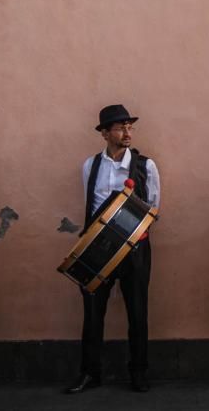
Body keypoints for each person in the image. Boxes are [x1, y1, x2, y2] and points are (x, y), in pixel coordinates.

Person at [65, 104, 161, 394]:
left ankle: (139, 373)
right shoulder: (90, 165)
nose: (127, 132)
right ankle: (90, 373)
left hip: (135, 248)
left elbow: (154, 207)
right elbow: (91, 204)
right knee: (92, 313)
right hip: (98, 248)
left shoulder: (146, 166)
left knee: (138, 311)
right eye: (120, 128)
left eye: (130, 127)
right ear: (105, 133)